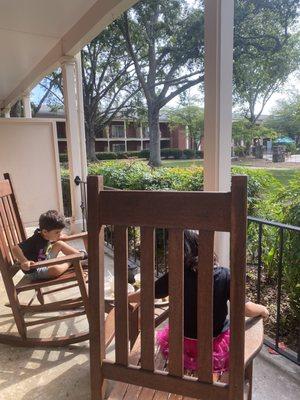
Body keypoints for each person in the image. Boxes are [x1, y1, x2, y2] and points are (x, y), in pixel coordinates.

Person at [128, 230, 269, 375]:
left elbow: (146, 293)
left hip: (181, 344)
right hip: (213, 345)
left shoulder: (176, 275)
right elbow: (245, 308)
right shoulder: (225, 275)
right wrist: (263, 310)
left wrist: (125, 297)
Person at [12, 210, 87, 281]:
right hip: (34, 270)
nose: (59, 234)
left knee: (59, 244)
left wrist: (59, 236)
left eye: (60, 232)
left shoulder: (46, 234)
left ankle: (82, 256)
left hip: (45, 261)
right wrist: (24, 261)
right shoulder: (35, 239)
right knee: (55, 270)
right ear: (45, 232)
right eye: (57, 232)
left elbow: (53, 240)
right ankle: (72, 261)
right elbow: (15, 248)